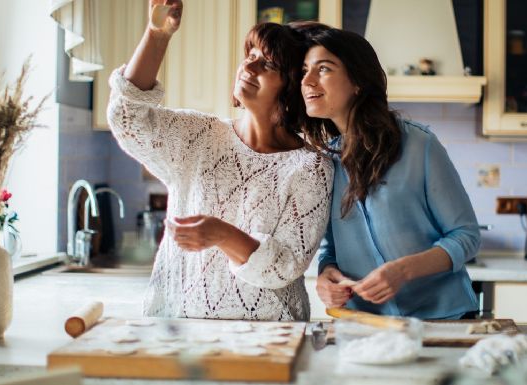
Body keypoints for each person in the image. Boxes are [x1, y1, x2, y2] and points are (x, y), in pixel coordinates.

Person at [107, 0, 333, 321]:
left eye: (268, 65)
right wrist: (158, 35)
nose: (249, 67)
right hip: (177, 325)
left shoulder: (310, 167)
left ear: (292, 89)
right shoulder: (199, 135)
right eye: (250, 56)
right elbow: (126, 116)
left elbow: (284, 266)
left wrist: (223, 235)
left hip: (270, 336)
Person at [299, 27, 480, 319]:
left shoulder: (419, 145)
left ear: (357, 81)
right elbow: (330, 249)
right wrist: (326, 275)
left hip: (443, 320)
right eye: (305, 70)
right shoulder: (323, 162)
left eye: (323, 69)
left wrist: (403, 270)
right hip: (366, 325)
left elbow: (466, 236)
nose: (307, 81)